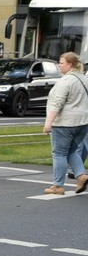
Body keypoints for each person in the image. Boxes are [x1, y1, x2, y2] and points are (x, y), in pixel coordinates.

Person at [41, 51, 88, 195]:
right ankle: (81, 175)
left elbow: (57, 103)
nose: (59, 66)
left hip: (64, 123)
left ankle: (58, 186)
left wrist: (48, 123)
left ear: (70, 64)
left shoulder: (65, 81)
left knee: (59, 153)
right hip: (83, 122)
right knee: (72, 151)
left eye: (61, 63)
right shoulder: (85, 79)